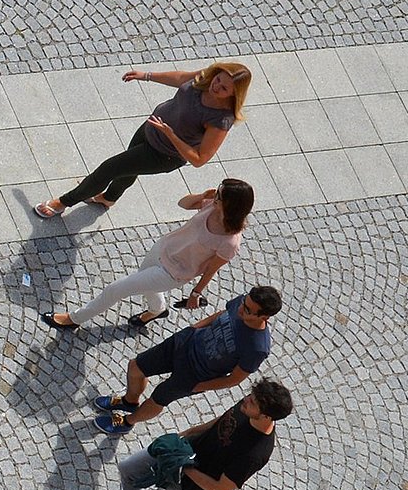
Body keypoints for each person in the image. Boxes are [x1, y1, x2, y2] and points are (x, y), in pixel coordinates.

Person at [77, 379, 290, 490]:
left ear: (266, 416)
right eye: (250, 395)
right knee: (128, 468)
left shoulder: (255, 453)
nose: (245, 399)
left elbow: (221, 489)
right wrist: (186, 434)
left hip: (190, 485)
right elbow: (220, 421)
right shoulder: (247, 407)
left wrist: (186, 467)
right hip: (183, 450)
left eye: (252, 401)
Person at [32, 62, 250, 218]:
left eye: (224, 88)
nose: (216, 86)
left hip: (163, 154)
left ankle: (62, 203)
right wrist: (146, 75)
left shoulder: (221, 119)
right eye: (218, 79)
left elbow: (200, 159)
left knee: (108, 169)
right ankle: (109, 198)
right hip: (150, 129)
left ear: (234, 94)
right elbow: (181, 78)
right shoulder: (207, 78)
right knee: (127, 169)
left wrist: (171, 134)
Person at [42, 179, 253, 332]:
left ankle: (74, 319)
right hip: (163, 248)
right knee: (146, 285)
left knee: (116, 289)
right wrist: (202, 196)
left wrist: (196, 293)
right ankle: (158, 310)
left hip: (174, 273)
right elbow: (183, 204)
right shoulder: (210, 206)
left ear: (230, 205)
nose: (215, 196)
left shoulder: (230, 242)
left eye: (219, 195)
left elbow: (211, 269)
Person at [93, 285, 281, 435]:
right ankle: (129, 401)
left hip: (196, 374)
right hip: (185, 343)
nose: (241, 308)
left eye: (248, 310)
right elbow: (222, 314)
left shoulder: (257, 348)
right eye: (243, 303)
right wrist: (194, 328)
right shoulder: (243, 302)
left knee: (158, 399)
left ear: (264, 316)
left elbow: (234, 379)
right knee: (135, 367)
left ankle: (127, 422)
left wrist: (199, 387)